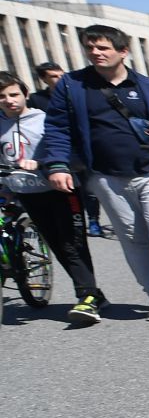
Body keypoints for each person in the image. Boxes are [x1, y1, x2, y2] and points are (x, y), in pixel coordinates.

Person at [39, 23, 149, 322]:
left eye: (103, 47)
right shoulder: (71, 86)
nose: (95, 53)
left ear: (122, 51)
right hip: (106, 175)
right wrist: (56, 164)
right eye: (90, 47)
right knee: (134, 238)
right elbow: (57, 128)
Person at [0, 71, 105, 325]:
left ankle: (87, 297)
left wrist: (43, 162)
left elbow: (72, 153)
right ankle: (91, 291)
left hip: (61, 190)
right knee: (57, 246)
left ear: (25, 94)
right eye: (1, 97)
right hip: (25, 193)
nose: (8, 100)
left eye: (13, 94)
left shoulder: (46, 119)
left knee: (72, 244)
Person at [29, 61, 105, 238]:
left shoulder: (75, 94)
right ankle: (74, 223)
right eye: (53, 76)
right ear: (43, 79)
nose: (59, 79)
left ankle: (94, 220)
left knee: (89, 189)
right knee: (66, 188)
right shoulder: (37, 99)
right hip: (55, 149)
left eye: (61, 75)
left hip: (80, 149)